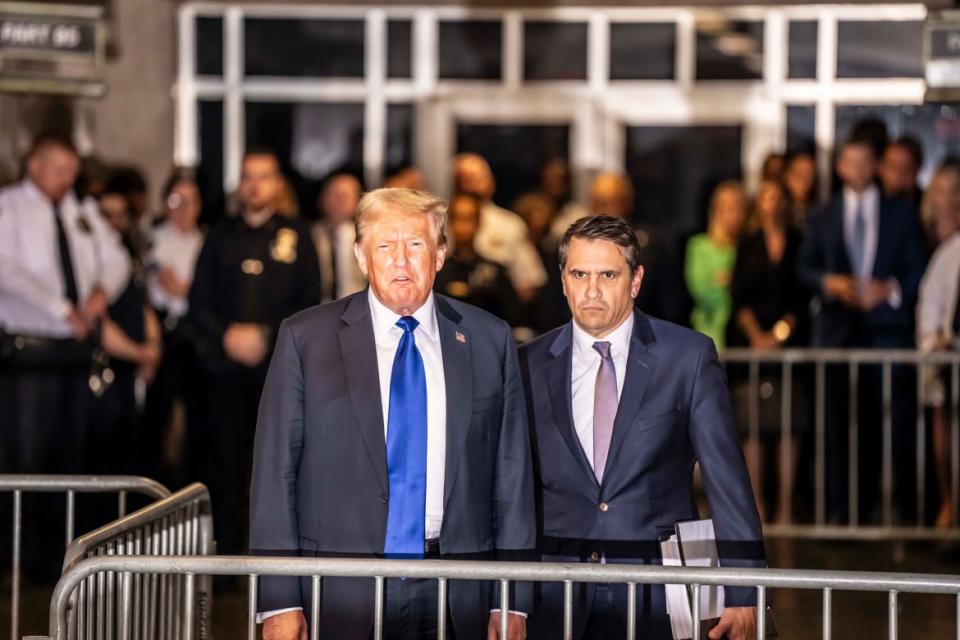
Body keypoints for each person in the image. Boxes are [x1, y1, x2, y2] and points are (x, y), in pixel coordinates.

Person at [250, 188, 535, 640]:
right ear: (362, 256)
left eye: (416, 244)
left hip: (458, 588)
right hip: (340, 589)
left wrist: (511, 598)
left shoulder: (488, 340)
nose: (401, 260)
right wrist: (279, 599)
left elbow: (512, 478)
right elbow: (274, 474)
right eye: (385, 245)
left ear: (440, 254)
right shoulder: (306, 339)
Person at [519, 215, 765, 640]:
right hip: (555, 589)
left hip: (660, 588)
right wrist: (507, 599)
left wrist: (744, 592)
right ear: (562, 280)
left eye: (608, 275)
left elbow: (728, 483)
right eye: (579, 274)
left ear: (635, 281)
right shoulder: (527, 365)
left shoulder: (687, 358)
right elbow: (510, 491)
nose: (591, 290)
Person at [189, 147, 321, 555]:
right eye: (248, 176)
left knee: (278, 466)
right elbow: (198, 300)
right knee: (225, 464)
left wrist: (265, 335)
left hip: (277, 372)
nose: (255, 184)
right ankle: (227, 555)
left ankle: (275, 554)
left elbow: (311, 300)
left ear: (277, 183)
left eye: (264, 176)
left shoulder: (298, 236)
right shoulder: (219, 235)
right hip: (223, 372)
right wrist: (227, 334)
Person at [798, 135, 928, 524]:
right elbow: (803, 269)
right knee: (836, 427)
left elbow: (917, 268)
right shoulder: (822, 215)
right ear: (839, 167)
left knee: (887, 428)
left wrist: (887, 290)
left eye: (864, 161)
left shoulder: (901, 213)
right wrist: (830, 283)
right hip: (837, 334)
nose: (856, 169)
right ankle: (841, 512)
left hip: (886, 334)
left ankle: (896, 514)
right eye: (849, 161)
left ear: (876, 166)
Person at [0, 131, 131, 474]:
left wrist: (101, 292)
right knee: (27, 457)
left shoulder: (81, 210)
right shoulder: (9, 206)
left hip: (79, 350)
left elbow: (118, 259)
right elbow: (6, 269)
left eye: (72, 170)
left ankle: (67, 528)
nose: (67, 178)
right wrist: (61, 309)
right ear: (34, 165)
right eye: (59, 169)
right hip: (29, 352)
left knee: (74, 457)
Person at [728, 179, 811, 522]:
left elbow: (801, 297)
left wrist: (779, 334)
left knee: (789, 425)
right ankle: (758, 505)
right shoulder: (747, 244)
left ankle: (787, 507)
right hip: (751, 347)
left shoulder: (799, 243)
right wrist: (757, 337)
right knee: (753, 427)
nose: (771, 204)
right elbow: (739, 295)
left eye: (778, 197)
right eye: (765, 197)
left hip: (789, 345)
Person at [142, 169, 206, 486]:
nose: (183, 208)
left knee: (198, 420)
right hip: (165, 334)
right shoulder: (153, 238)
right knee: (158, 419)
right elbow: (175, 286)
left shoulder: (206, 242)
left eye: (190, 201)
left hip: (196, 336)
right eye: (176, 200)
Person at [916, 162, 960, 527]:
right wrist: (936, 343)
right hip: (946, 366)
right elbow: (930, 304)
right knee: (945, 432)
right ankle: (950, 505)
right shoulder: (947, 251)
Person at [454, 153, 547, 300]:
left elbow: (529, 281)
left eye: (475, 178)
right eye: (463, 179)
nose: (470, 185)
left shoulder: (510, 224)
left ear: (490, 182)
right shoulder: (439, 222)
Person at [434, 192, 521, 324]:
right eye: (458, 218)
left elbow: (512, 317)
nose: (463, 226)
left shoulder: (494, 272)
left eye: (469, 218)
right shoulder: (436, 271)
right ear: (450, 222)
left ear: (479, 222)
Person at [685, 181, 748, 350]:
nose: (732, 214)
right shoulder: (699, 246)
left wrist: (728, 282)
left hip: (743, 336)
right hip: (710, 334)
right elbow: (701, 289)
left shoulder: (749, 248)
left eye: (737, 207)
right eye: (725, 207)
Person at [311, 172, 366, 302]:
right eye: (335, 194)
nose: (341, 200)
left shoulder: (366, 237)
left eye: (347, 195)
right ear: (321, 198)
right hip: (315, 312)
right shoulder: (307, 236)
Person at [879, 136, 924, 212]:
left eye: (906, 167)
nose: (899, 173)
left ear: (917, 170)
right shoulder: (869, 203)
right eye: (893, 166)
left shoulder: (928, 206)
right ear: (880, 168)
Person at [783, 150, 819, 230]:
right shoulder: (778, 213)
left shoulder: (821, 214)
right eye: (798, 174)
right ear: (787, 176)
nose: (803, 180)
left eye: (809, 175)